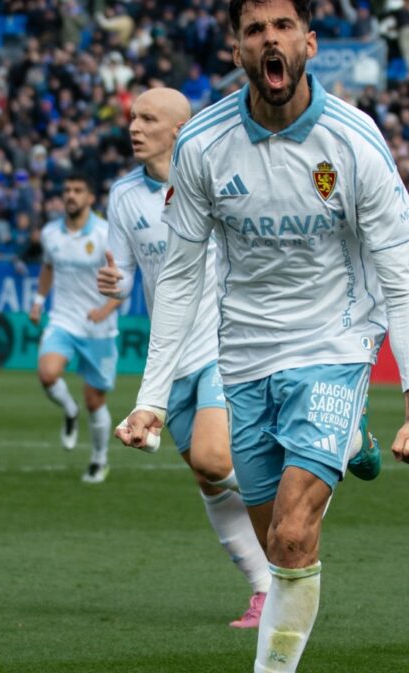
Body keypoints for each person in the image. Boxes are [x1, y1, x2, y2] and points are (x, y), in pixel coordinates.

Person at [114, 2, 409, 673]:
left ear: (308, 43)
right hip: (244, 356)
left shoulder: (354, 140)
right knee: (276, 547)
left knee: (292, 535)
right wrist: (151, 399)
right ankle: (350, 442)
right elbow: (179, 280)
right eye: (255, 30)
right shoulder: (205, 144)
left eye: (283, 26)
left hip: (335, 346)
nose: (270, 40)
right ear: (238, 49)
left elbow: (401, 284)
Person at [97, 87, 272, 628]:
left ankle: (300, 495)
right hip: (170, 357)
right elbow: (126, 274)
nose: (135, 127)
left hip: (225, 343)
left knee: (214, 459)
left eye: (148, 118)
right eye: (132, 117)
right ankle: (266, 589)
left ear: (179, 130)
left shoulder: (216, 176)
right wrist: (115, 285)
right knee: (208, 479)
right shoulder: (124, 196)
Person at [29, 175, 120, 483]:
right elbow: (48, 267)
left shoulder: (106, 233)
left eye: (78, 190)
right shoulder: (50, 233)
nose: (70, 195)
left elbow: (123, 278)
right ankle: (70, 410)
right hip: (63, 320)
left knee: (95, 400)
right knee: (47, 374)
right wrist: (38, 301)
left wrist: (106, 309)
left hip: (99, 328)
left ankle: (99, 459)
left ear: (90, 197)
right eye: (67, 189)